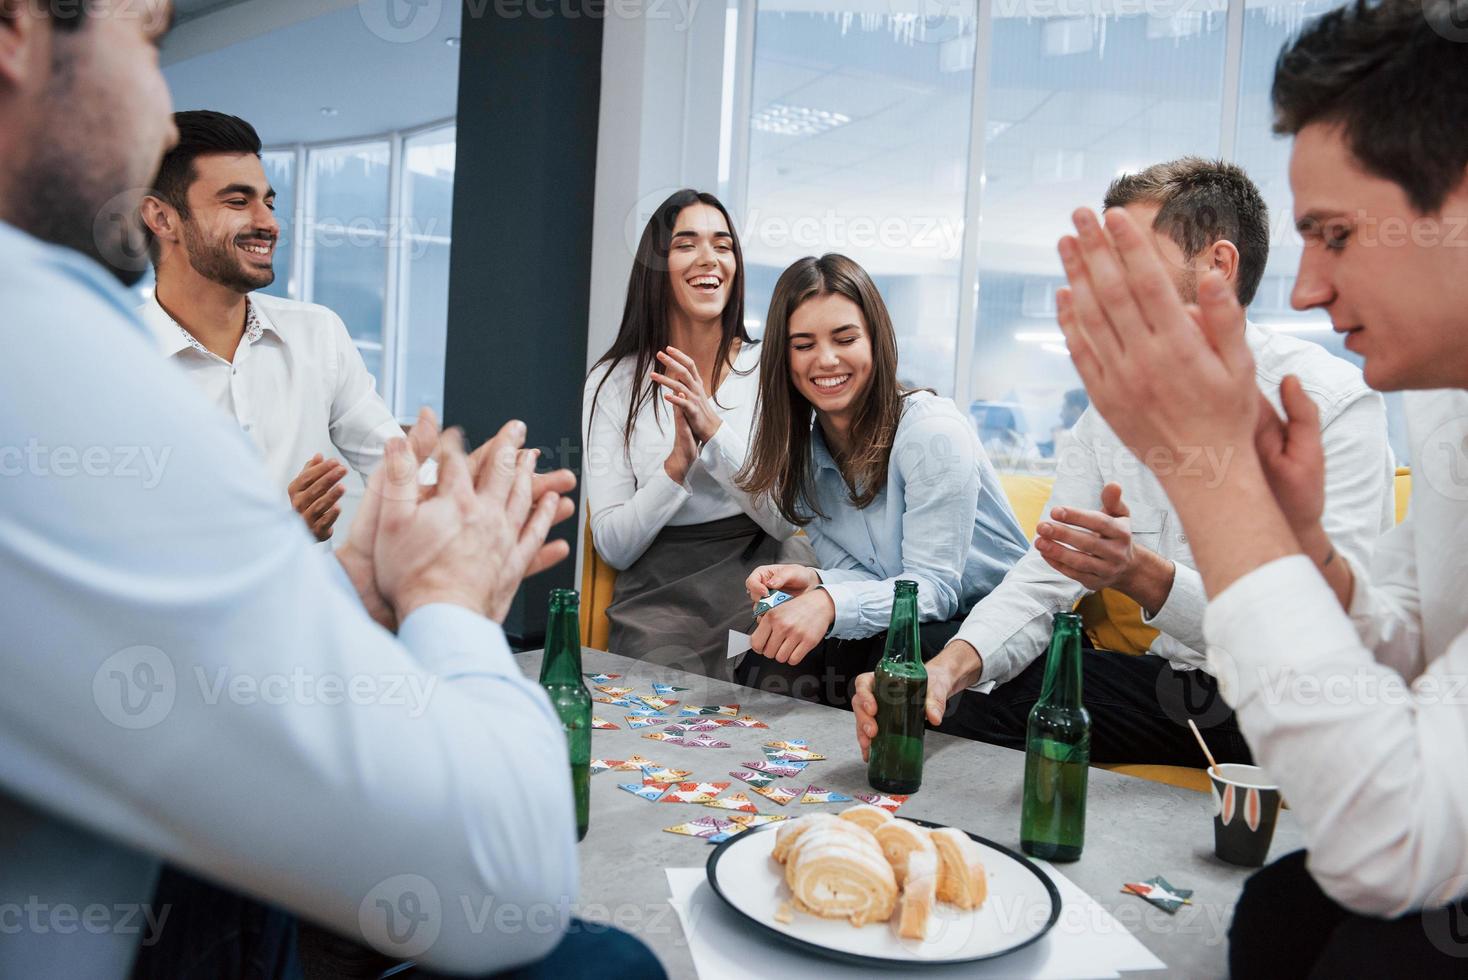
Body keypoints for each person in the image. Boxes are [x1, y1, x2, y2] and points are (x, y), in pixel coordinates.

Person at [0, 4, 661, 978]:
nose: (268, 218)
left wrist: (352, 575)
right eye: (146, 43)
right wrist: (448, 595)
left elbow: (381, 468)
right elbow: (510, 880)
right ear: (16, 33)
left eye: (271, 197)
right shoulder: (66, 347)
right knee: (600, 965)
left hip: (206, 777)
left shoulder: (299, 337)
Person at [1051, 0, 1468, 973]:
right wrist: (1303, 546)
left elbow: (1396, 845)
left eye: (1334, 235)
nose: (1305, 288)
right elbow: (1410, 633)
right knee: (1278, 915)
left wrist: (1213, 475)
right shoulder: (1446, 400)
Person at [853, 158, 1395, 767]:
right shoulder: (1112, 412)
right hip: (1170, 685)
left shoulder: (1331, 404)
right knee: (931, 676)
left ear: (1218, 265)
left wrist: (1144, 574)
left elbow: (1320, 632)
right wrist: (947, 669)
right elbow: (1047, 576)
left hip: (1289, 703)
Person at [734, 253, 1028, 708]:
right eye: (803, 344)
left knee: (891, 656)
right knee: (771, 658)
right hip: (914, 619)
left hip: (990, 633)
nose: (826, 359)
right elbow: (870, 574)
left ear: (875, 341)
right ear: (784, 357)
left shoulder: (933, 433)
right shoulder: (803, 458)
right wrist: (813, 579)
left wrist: (830, 603)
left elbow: (934, 590)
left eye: (845, 338)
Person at [138, 110, 407, 542]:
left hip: (307, 608)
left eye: (269, 202)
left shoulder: (318, 333)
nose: (268, 223)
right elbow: (111, 546)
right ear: (163, 218)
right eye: (237, 201)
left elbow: (396, 469)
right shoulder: (111, 360)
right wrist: (275, 538)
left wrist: (468, 491)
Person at [583, 189, 812, 681]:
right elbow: (613, 546)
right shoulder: (612, 382)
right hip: (657, 588)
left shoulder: (766, 367)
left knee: (765, 686)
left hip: (756, 573)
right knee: (658, 697)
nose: (710, 258)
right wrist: (674, 470)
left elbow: (784, 520)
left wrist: (713, 432)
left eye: (723, 245)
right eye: (687, 244)